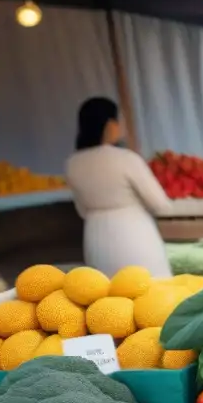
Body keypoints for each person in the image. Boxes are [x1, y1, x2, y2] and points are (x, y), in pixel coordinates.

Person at [65, 97, 173, 278]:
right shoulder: (126, 159)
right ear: (109, 124)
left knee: (109, 297)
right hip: (133, 234)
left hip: (95, 236)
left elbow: (82, 210)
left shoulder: (72, 163)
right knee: (151, 292)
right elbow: (160, 204)